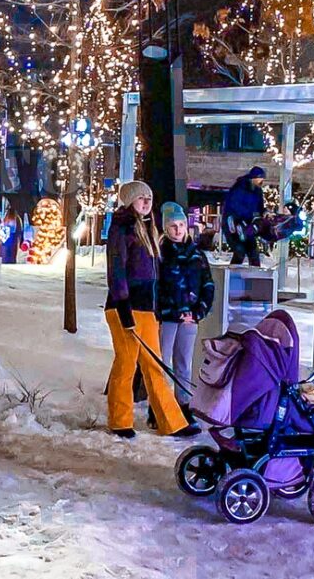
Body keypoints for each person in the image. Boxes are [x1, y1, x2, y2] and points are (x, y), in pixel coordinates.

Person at [105, 181, 198, 440]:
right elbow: (117, 270)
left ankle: (172, 421)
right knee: (126, 364)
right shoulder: (122, 228)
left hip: (146, 308)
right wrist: (123, 304)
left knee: (154, 365)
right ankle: (119, 420)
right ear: (129, 201)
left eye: (149, 198)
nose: (146, 202)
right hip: (126, 305)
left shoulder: (148, 228)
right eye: (140, 198)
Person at [157, 202, 214, 424]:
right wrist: (164, 310)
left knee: (184, 363)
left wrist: (198, 311)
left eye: (181, 225)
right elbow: (158, 286)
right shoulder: (161, 254)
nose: (178, 230)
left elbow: (207, 285)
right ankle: (160, 405)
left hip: (190, 319)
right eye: (173, 226)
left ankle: (183, 405)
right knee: (162, 363)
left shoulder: (197, 255)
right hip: (168, 318)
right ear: (166, 228)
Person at [223, 166, 267, 266]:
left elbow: (259, 207)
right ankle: (232, 277)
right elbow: (234, 206)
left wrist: (264, 213)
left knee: (254, 254)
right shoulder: (239, 188)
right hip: (234, 224)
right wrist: (247, 217)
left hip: (248, 226)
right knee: (240, 251)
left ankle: (255, 277)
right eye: (261, 178)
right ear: (254, 178)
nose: (262, 181)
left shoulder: (258, 191)